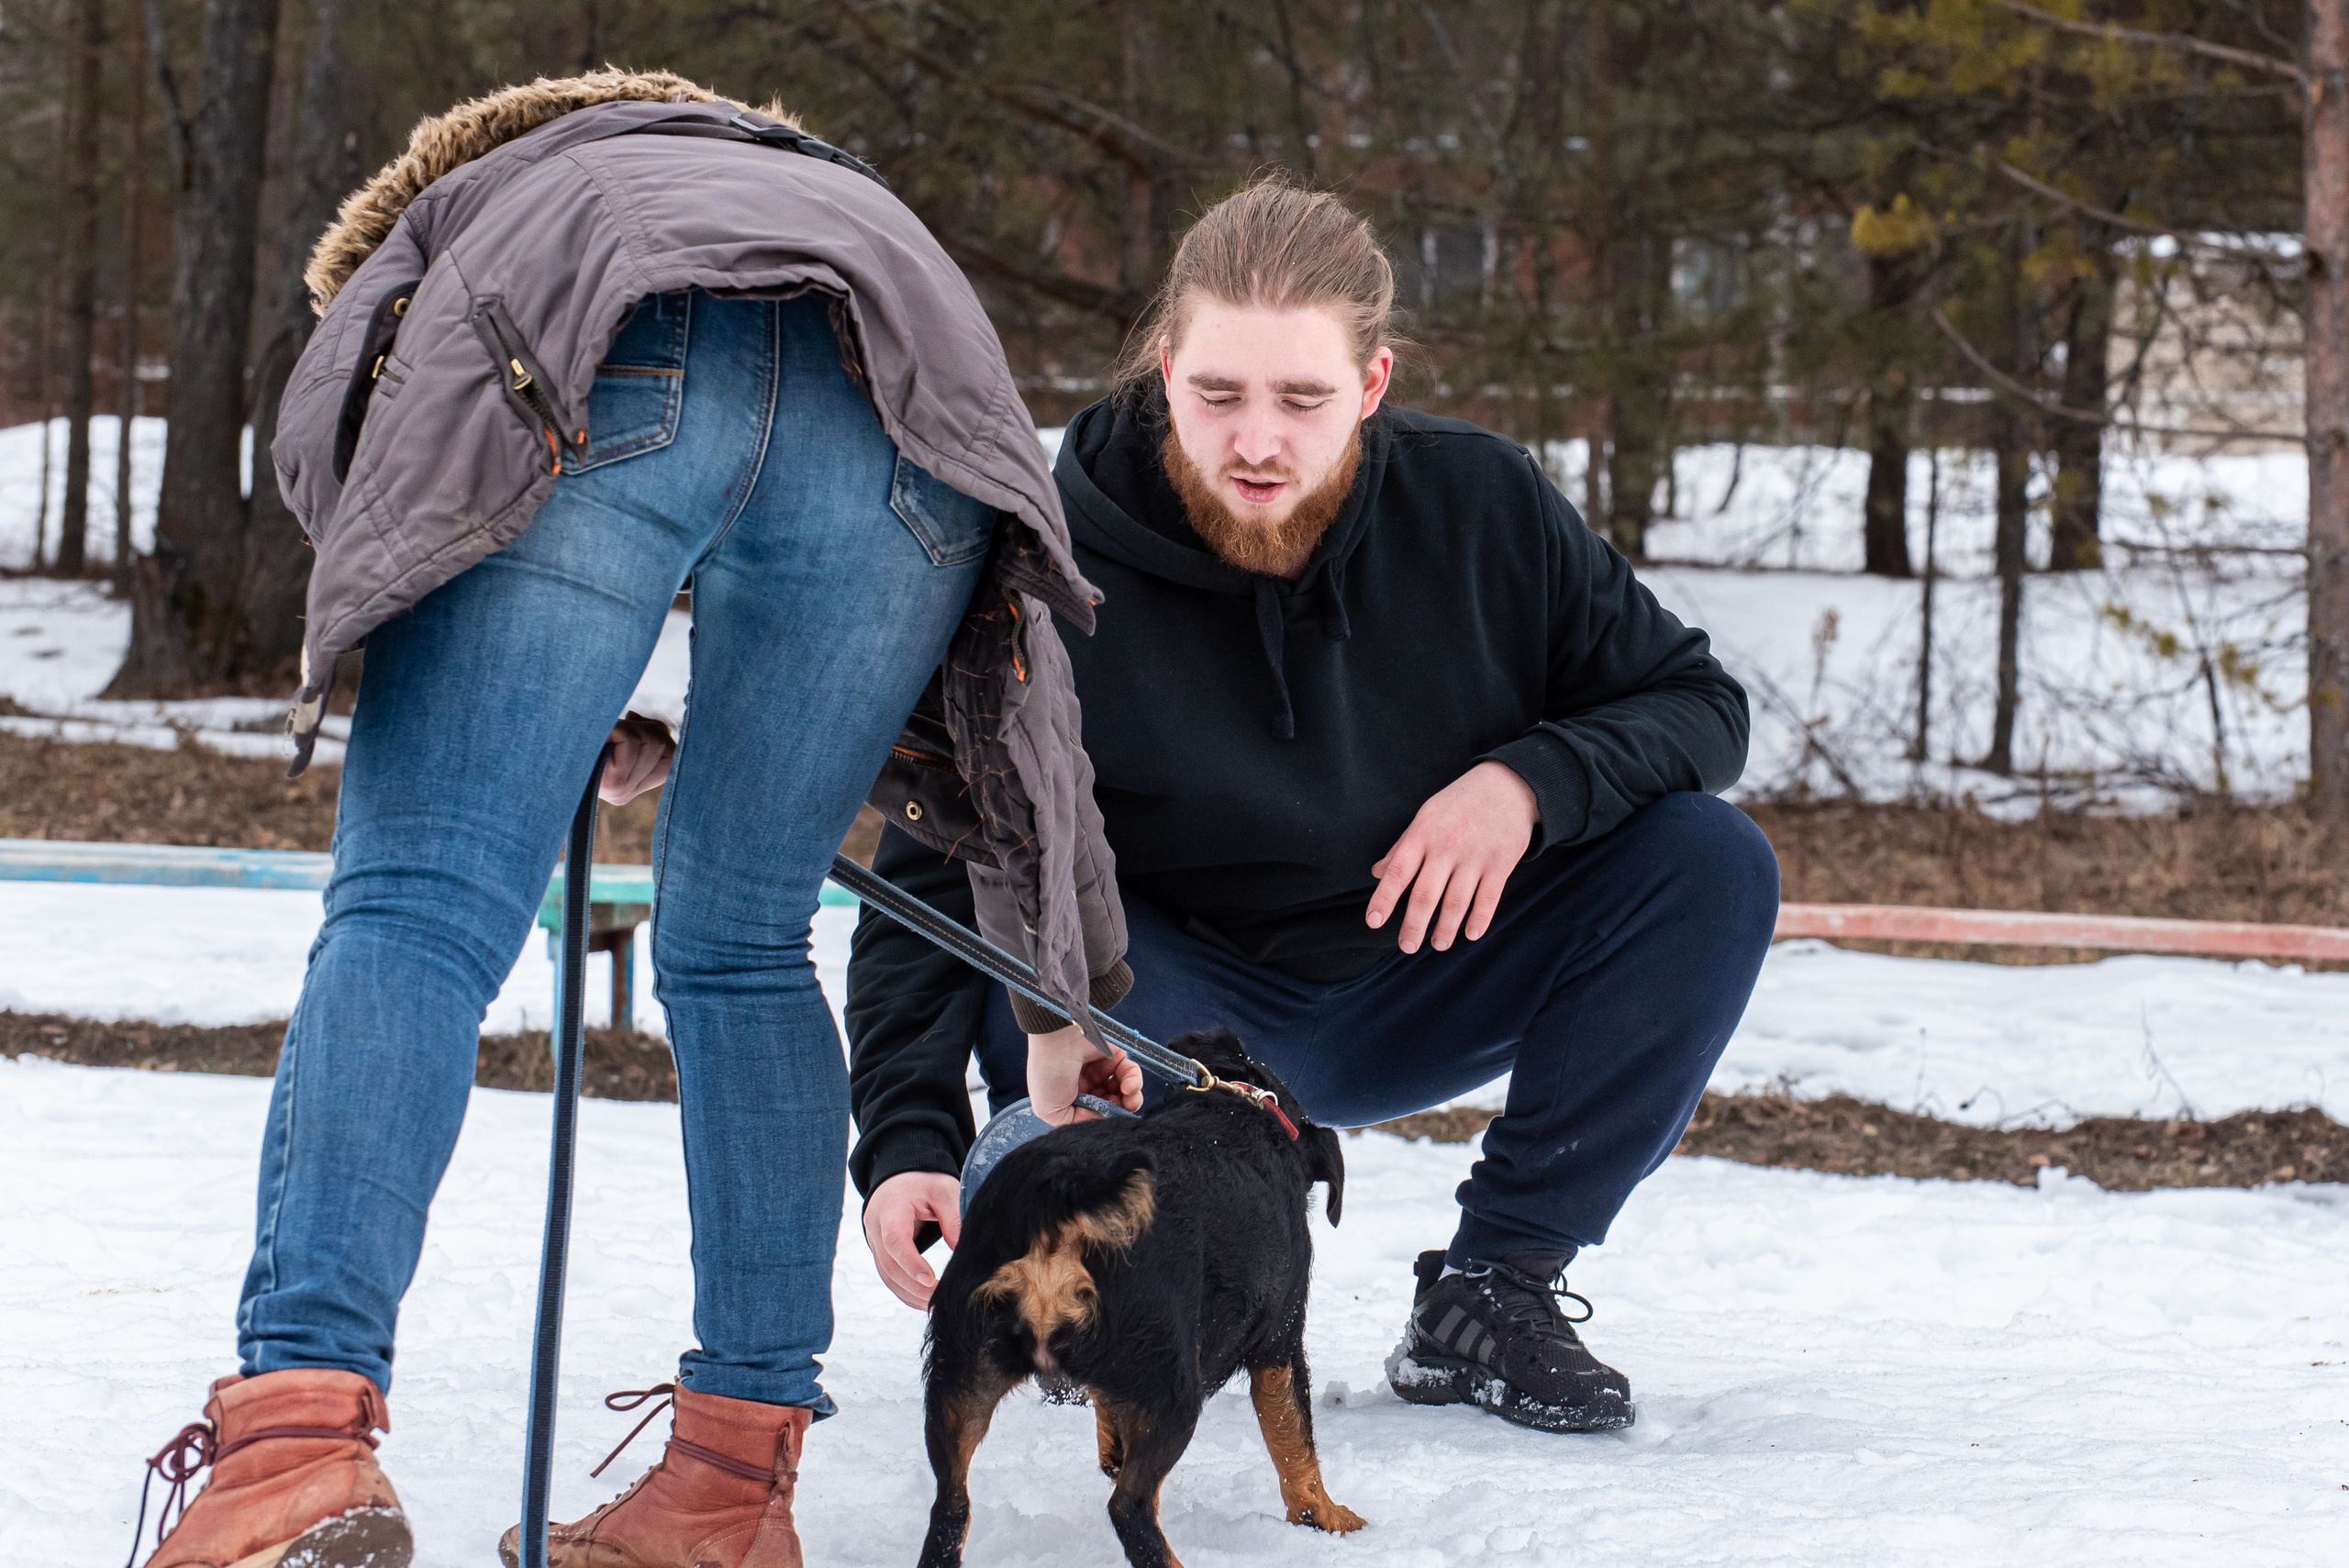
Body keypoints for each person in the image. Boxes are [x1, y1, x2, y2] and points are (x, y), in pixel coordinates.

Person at [125, 72, 1129, 1568]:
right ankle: (730, 1486)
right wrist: (1063, 989)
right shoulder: (799, 186)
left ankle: (295, 1443)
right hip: (912, 415)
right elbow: (801, 462)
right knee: (744, 940)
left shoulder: (457, 222)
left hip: (622, 365)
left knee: (420, 901)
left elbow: (373, 470)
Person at [847, 178, 1780, 1438]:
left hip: (1413, 971)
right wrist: (905, 1135)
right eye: (1218, 394)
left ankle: (1493, 1288)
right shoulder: (1041, 551)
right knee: (1026, 930)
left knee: (1709, 861)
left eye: (1303, 399)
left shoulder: (1483, 506)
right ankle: (1081, 1258)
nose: (1257, 441)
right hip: (1149, 1012)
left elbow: (1699, 706)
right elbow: (931, 864)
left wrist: (1528, 783)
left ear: (1374, 384)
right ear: (1164, 370)